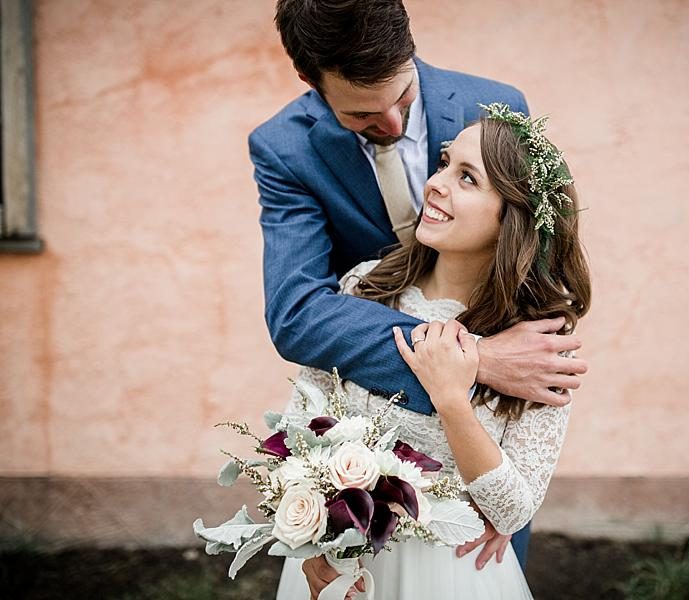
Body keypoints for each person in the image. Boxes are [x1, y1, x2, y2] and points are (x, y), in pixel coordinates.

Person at [250, 0, 588, 573]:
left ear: (409, 45)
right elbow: (301, 316)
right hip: (361, 463)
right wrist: (470, 358)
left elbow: (533, 271)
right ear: (312, 82)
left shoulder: (495, 107)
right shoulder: (284, 149)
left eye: (402, 98)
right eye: (362, 116)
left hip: (481, 479)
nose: (395, 126)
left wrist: (500, 488)